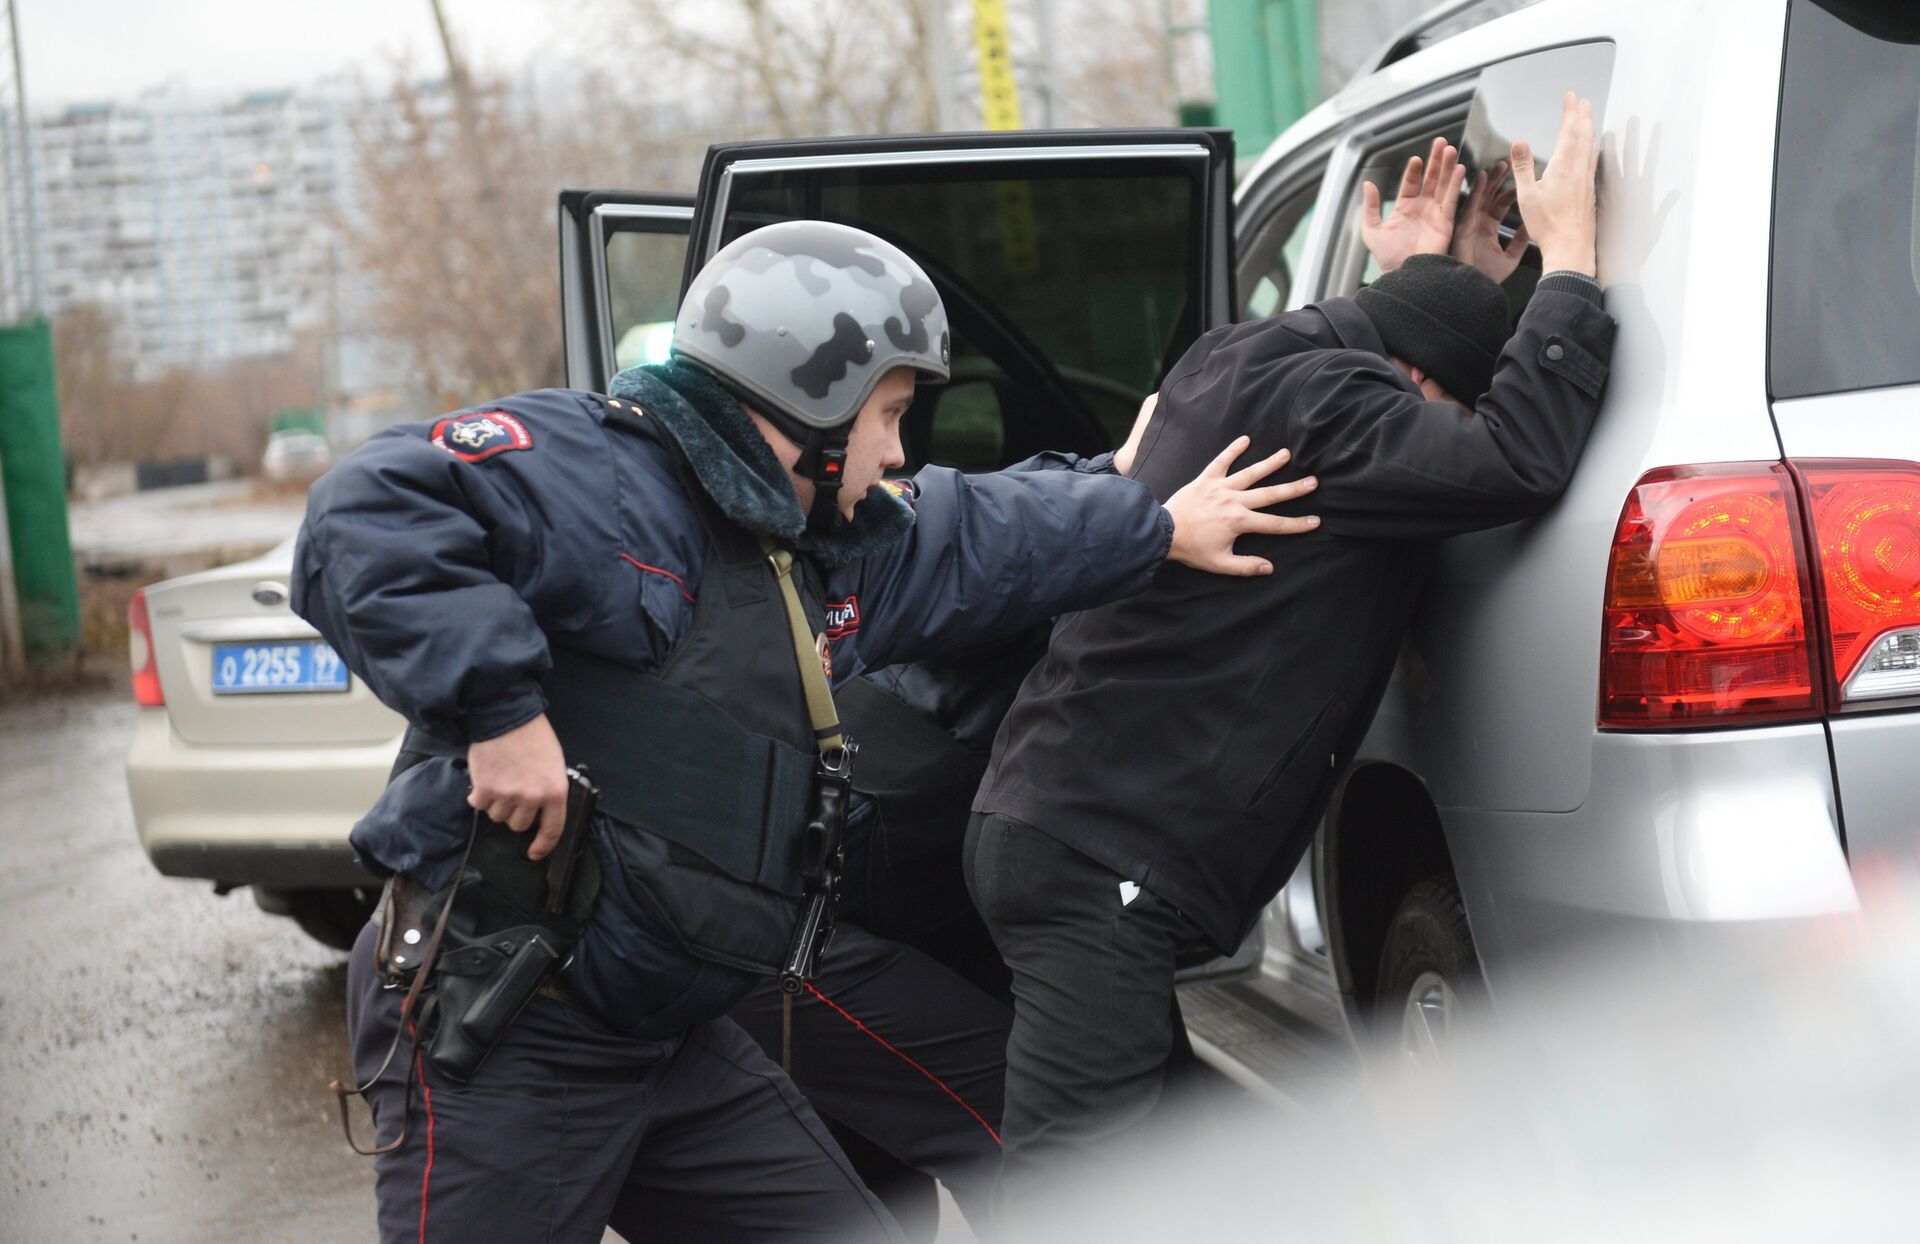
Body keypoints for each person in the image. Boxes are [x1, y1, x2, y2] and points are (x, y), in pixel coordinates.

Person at [291, 218, 1320, 1243]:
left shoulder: (815, 547)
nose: (898, 449)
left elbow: (984, 536)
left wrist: (1150, 519)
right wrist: (500, 713)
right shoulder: (607, 475)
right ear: (810, 400)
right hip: (512, 1030)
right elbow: (365, 511)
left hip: (668, 1032)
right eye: (889, 414)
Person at [965, 93, 1618, 1218]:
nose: (1437, 437)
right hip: (1102, 862)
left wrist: (1423, 272)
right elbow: (1516, 458)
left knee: (1226, 1183)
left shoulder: (1251, 354)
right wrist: (1568, 266)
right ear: (1419, 383)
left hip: (1059, 826)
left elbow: (1399, 370)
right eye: (1445, 403)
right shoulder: (1347, 408)